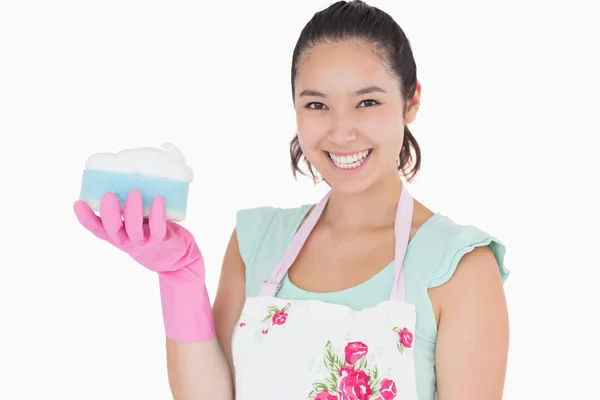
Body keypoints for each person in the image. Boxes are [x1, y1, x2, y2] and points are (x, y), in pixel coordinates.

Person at [74, 1, 510, 399]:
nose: (341, 132)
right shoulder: (257, 241)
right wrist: (180, 279)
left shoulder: (457, 266)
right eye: (317, 105)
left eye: (367, 102)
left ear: (410, 100)